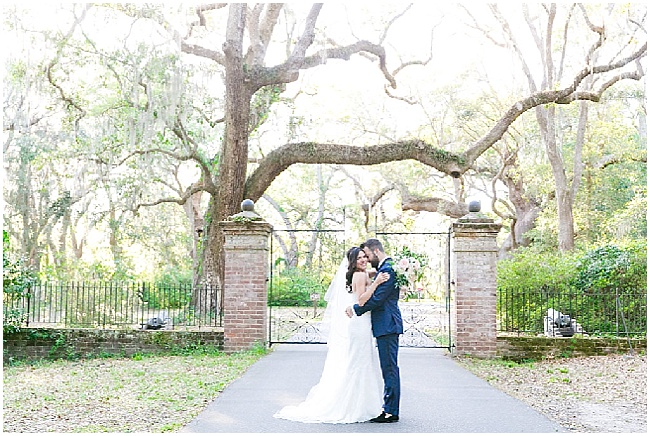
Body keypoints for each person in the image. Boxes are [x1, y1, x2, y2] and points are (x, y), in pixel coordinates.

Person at [273, 247, 389, 423]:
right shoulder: (358, 275)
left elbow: (370, 273)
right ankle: (353, 406)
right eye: (359, 258)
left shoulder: (361, 273)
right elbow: (361, 300)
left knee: (361, 361)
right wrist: (377, 282)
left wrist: (377, 274)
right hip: (358, 324)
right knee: (358, 362)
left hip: (361, 323)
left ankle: (361, 404)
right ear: (353, 262)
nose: (364, 260)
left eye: (365, 256)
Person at [345, 238, 402, 423]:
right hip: (384, 325)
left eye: (367, 255)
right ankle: (388, 408)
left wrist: (355, 309)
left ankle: (391, 411)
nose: (367, 259)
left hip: (387, 325)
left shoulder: (387, 270)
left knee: (390, 368)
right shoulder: (384, 269)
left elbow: (376, 299)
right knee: (388, 368)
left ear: (376, 251)